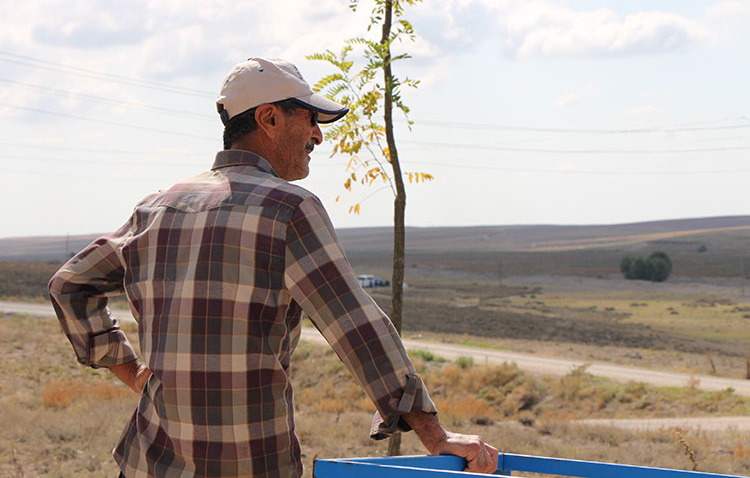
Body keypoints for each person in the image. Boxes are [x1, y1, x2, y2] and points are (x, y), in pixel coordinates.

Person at [49, 57, 498, 478]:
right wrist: (435, 436)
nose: (318, 136)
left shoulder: (157, 206)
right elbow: (355, 326)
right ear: (269, 118)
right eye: (310, 119)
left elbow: (69, 284)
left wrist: (131, 371)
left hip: (148, 462)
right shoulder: (289, 208)